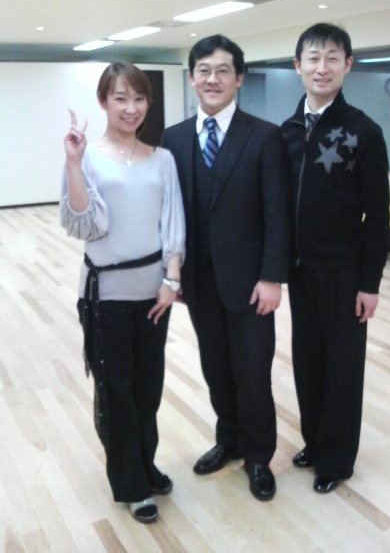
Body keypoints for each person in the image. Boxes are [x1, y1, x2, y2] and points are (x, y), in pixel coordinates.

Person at [162, 35, 290, 501]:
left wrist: (272, 277)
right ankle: (229, 439)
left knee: (253, 373)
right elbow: (170, 214)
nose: (212, 79)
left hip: (251, 282)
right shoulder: (174, 139)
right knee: (216, 367)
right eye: (203, 70)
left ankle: (258, 456)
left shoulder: (265, 136)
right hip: (198, 282)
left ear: (239, 78)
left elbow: (278, 213)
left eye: (222, 70)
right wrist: (173, 274)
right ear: (192, 78)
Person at [60, 63, 185, 523]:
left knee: (148, 390)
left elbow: (173, 223)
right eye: (120, 98)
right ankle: (131, 485)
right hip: (105, 296)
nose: (131, 108)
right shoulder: (87, 156)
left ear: (148, 103)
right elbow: (83, 223)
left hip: (153, 294)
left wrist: (172, 281)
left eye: (139, 98)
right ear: (103, 102)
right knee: (118, 392)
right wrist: (74, 163)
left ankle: (145, 465)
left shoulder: (162, 159)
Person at [280, 23, 390, 493]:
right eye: (312, 58)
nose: (321, 67)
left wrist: (370, 284)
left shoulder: (364, 131)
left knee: (342, 369)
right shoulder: (286, 133)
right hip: (300, 272)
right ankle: (314, 441)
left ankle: (336, 459)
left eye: (331, 58)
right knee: (308, 363)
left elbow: (378, 214)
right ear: (297, 66)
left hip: (345, 273)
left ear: (348, 65)